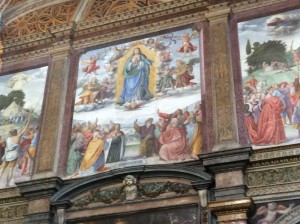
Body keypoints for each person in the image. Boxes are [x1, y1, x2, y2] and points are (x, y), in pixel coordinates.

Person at [0, 119, 30, 187]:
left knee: (2, 169)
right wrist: (28, 122)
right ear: (16, 133)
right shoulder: (18, 137)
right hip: (14, 155)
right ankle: (7, 184)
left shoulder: (8, 139)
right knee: (11, 169)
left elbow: (21, 130)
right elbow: (24, 129)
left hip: (7, 155)